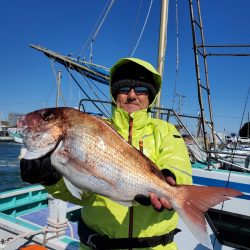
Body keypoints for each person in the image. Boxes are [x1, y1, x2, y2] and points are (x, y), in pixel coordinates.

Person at [20, 58, 192, 249]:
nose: (132, 95)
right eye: (124, 88)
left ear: (150, 95)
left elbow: (179, 166)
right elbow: (82, 195)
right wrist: (52, 181)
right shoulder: (96, 129)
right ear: (114, 93)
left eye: (141, 89)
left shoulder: (166, 131)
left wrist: (169, 178)